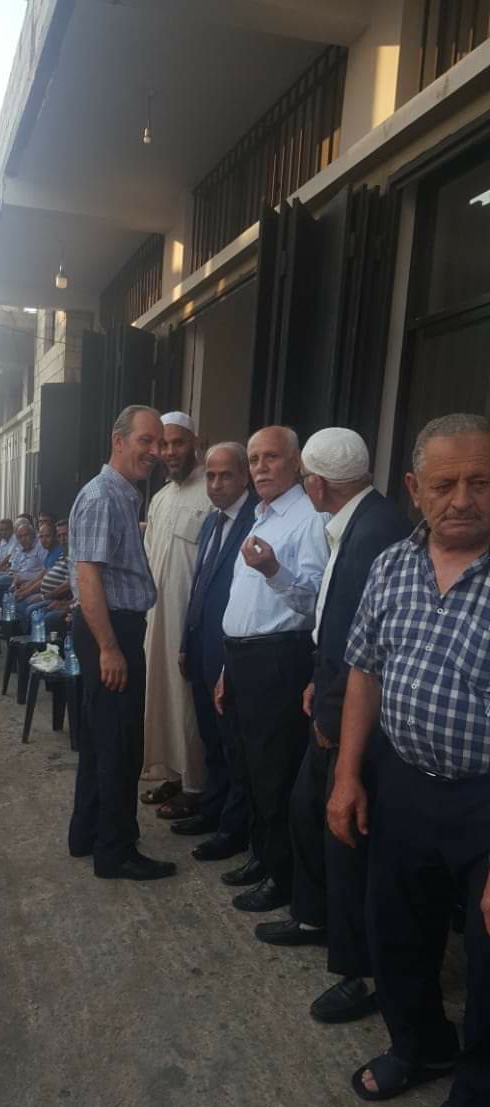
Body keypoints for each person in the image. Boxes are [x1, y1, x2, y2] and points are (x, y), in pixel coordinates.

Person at [327, 412, 490, 1107]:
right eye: (445, 483)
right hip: (403, 782)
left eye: (481, 482)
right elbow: (364, 669)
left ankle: (477, 1102)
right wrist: (347, 775)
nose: (463, 499)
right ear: (414, 489)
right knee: (396, 932)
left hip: (485, 803)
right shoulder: (393, 564)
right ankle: (421, 1046)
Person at [255, 428, 410, 1024]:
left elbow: (363, 639)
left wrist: (332, 713)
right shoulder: (361, 519)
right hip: (334, 691)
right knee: (307, 811)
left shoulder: (372, 532)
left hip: (353, 712)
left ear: (316, 484)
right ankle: (316, 918)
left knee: (346, 836)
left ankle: (359, 970)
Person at [216, 426, 328, 911]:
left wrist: (273, 571)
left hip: (279, 658)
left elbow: (316, 601)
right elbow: (245, 601)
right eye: (255, 459)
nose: (261, 467)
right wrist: (227, 667)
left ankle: (283, 877)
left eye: (272, 458)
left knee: (274, 772)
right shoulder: (261, 516)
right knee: (247, 766)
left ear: (296, 462)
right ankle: (262, 857)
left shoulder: (309, 519)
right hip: (243, 657)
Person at [68, 404, 176, 882]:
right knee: (119, 744)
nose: (155, 451)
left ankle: (87, 833)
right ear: (118, 441)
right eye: (145, 441)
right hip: (109, 630)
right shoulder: (104, 497)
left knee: (100, 739)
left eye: (159, 443)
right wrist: (110, 648)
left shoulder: (121, 496)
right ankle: (115, 851)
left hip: (109, 628)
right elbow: (88, 576)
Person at [173, 442, 255, 861]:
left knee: (232, 744)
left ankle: (232, 829)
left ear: (244, 477)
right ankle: (212, 810)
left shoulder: (257, 520)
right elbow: (199, 586)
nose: (217, 484)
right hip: (201, 647)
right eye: (210, 476)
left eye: (225, 476)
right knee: (209, 736)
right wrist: (186, 641)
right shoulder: (210, 523)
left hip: (233, 653)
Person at [141, 411, 213, 819]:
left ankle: (196, 785)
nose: (169, 452)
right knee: (160, 697)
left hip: (188, 622)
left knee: (187, 704)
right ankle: (170, 774)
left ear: (196, 443)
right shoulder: (160, 498)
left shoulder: (211, 493)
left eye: (177, 443)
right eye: (163, 445)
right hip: (156, 619)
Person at [0, 519, 45, 604]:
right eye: (20, 537)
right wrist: (14, 575)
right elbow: (13, 568)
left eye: (26, 535)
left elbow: (43, 572)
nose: (23, 539)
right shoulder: (20, 548)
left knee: (2, 579)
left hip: (29, 579)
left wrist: (25, 580)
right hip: (16, 576)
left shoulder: (40, 548)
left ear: (33, 535)